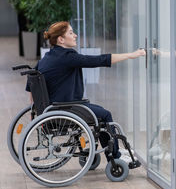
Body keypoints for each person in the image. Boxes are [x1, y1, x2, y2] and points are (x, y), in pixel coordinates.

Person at [26, 21, 145, 162]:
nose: (75, 35)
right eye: (71, 33)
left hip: (53, 109)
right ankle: (115, 157)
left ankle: (114, 152)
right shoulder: (67, 57)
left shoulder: (47, 57)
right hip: (65, 109)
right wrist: (131, 55)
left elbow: (31, 85)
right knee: (105, 115)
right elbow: (99, 60)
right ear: (61, 39)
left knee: (99, 112)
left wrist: (37, 110)